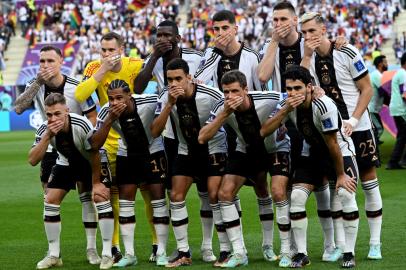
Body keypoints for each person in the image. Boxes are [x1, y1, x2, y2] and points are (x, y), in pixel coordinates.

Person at [258, 2, 347, 262]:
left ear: (295, 20)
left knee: (321, 183)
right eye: (274, 20)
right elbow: (263, 77)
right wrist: (273, 42)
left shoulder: (307, 41)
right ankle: (293, 248)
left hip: (311, 117)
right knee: (289, 187)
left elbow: (314, 70)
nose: (278, 24)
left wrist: (336, 41)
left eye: (283, 18)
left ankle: (332, 244)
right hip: (286, 120)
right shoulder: (269, 46)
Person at [299, 12, 383, 260]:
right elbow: (301, 84)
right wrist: (305, 55)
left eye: (312, 31)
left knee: (368, 180)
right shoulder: (309, 58)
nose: (309, 37)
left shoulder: (346, 51)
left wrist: (354, 119)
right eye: (304, 33)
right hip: (332, 132)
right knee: (340, 185)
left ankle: (375, 242)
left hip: (358, 127)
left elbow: (367, 89)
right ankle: (340, 245)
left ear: (323, 29)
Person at [134, 21, 217, 262]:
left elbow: (205, 87)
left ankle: (207, 245)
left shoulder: (194, 58)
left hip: (197, 128)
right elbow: (139, 88)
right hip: (171, 131)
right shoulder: (154, 60)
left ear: (178, 37)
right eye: (158, 35)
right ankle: (175, 247)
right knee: (173, 191)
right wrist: (154, 56)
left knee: (206, 191)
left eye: (166, 35)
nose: (162, 39)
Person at [260, 66, 359, 268]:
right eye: (289, 88)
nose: (293, 93)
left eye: (298, 88)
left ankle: (349, 252)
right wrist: (286, 109)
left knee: (346, 195)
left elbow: (332, 143)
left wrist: (340, 175)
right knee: (296, 197)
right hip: (313, 151)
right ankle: (302, 254)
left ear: (309, 87)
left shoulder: (322, 105)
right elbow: (264, 131)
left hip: (340, 151)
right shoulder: (289, 104)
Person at [74, 32, 158, 262]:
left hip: (137, 138)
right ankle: (114, 247)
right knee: (111, 195)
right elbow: (80, 94)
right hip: (108, 139)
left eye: (111, 50)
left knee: (147, 191)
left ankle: (156, 244)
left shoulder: (135, 64)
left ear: (122, 48)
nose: (107, 54)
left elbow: (159, 76)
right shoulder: (94, 67)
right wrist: (102, 70)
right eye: (103, 50)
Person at [14, 45, 101, 265]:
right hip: (52, 147)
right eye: (42, 61)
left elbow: (93, 117)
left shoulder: (77, 86)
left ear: (61, 61)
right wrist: (37, 83)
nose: (45, 66)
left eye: (50, 61)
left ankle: (92, 249)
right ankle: (54, 254)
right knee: (49, 198)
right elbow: (18, 108)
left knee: (87, 197)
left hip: (80, 147)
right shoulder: (35, 86)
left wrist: (82, 140)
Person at [198, 70, 291, 267]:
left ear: (246, 90)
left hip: (275, 148)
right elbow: (202, 137)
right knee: (224, 193)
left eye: (234, 91)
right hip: (246, 148)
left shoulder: (268, 98)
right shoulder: (222, 107)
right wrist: (224, 113)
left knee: (276, 191)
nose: (230, 97)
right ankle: (239, 253)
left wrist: (316, 91)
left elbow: (291, 97)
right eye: (226, 92)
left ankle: (283, 250)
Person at [151, 58, 227, 267]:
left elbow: (229, 115)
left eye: (178, 79)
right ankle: (183, 251)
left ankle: (219, 249)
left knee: (213, 195)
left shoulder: (211, 95)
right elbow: (155, 131)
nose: (173, 84)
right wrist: (170, 104)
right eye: (170, 80)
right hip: (186, 149)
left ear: (189, 78)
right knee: (175, 196)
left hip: (213, 148)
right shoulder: (165, 97)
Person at [28, 93, 114, 270]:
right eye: (49, 114)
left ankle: (103, 253)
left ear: (67, 111)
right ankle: (53, 255)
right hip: (66, 161)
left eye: (57, 114)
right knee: (50, 199)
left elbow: (95, 151)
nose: (53, 118)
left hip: (91, 161)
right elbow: (32, 160)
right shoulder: (45, 128)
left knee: (98, 198)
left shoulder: (80, 124)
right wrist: (46, 136)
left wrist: (96, 183)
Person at [89, 79, 169, 267]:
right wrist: (109, 119)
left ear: (129, 95)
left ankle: (162, 251)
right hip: (126, 153)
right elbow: (94, 144)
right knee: (125, 203)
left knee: (158, 200)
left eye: (119, 98)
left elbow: (158, 130)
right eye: (111, 99)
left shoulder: (149, 102)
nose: (115, 103)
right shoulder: (106, 112)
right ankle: (129, 254)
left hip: (153, 151)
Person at [194, 10, 266, 92]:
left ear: (235, 29)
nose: (220, 33)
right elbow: (197, 84)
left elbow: (263, 93)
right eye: (216, 29)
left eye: (225, 28)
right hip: (220, 104)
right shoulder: (209, 53)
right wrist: (218, 51)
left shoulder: (252, 56)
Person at [387, 52, 406, 169]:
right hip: (400, 109)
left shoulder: (399, 73)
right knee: (402, 136)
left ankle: (399, 160)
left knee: (402, 135)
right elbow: (404, 94)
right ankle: (393, 161)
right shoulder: (404, 74)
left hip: (396, 108)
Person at [368, 55, 388, 145]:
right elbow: (383, 91)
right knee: (379, 128)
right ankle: (373, 147)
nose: (387, 64)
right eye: (385, 62)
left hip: (374, 108)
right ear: (380, 64)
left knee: (378, 129)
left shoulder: (378, 75)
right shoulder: (377, 75)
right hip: (372, 108)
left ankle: (374, 145)